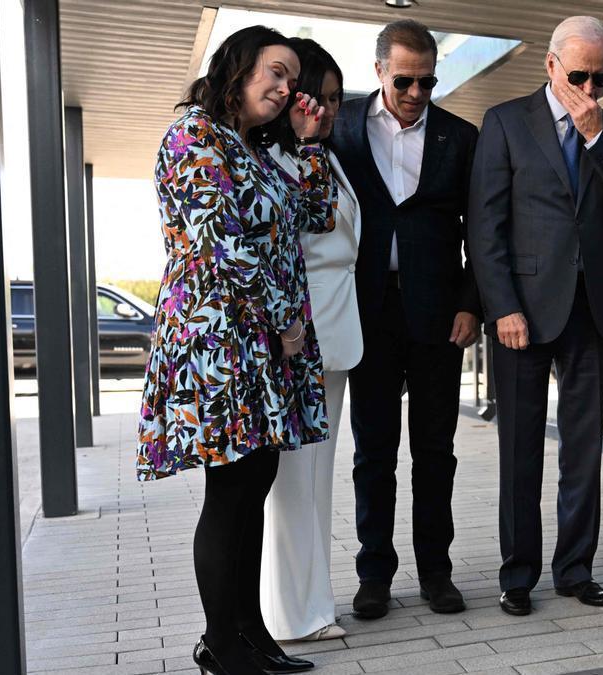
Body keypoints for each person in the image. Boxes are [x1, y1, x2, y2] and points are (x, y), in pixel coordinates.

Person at [135, 25, 333, 675]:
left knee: (255, 481)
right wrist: (284, 323)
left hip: (260, 340)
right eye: (275, 72)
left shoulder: (249, 150)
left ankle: (250, 633)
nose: (285, 88)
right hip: (220, 337)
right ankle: (220, 643)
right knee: (229, 489)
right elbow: (224, 246)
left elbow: (315, 214)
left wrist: (310, 145)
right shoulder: (195, 137)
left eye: (293, 80)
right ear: (238, 65)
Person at [469, 15, 603, 616]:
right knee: (520, 452)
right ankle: (517, 576)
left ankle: (575, 570)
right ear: (550, 65)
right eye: (580, 74)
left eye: (601, 76)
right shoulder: (504, 122)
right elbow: (485, 226)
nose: (591, 86)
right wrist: (502, 308)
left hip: (590, 312)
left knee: (583, 453)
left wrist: (598, 136)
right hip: (522, 314)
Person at [328, 19, 481, 619]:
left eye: (427, 81)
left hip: (441, 315)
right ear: (378, 72)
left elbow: (481, 229)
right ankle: (374, 575)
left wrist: (472, 303)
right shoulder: (341, 130)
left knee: (435, 452)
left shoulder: (461, 138)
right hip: (367, 312)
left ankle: (436, 573)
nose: (417, 93)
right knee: (374, 453)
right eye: (404, 81)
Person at [261, 38, 361, 643]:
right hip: (299, 338)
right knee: (293, 484)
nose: (323, 110)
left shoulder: (323, 155)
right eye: (311, 96)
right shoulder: (275, 158)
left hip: (336, 333)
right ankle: (291, 613)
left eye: (331, 99)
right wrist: (302, 142)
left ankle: (315, 603)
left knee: (319, 480)